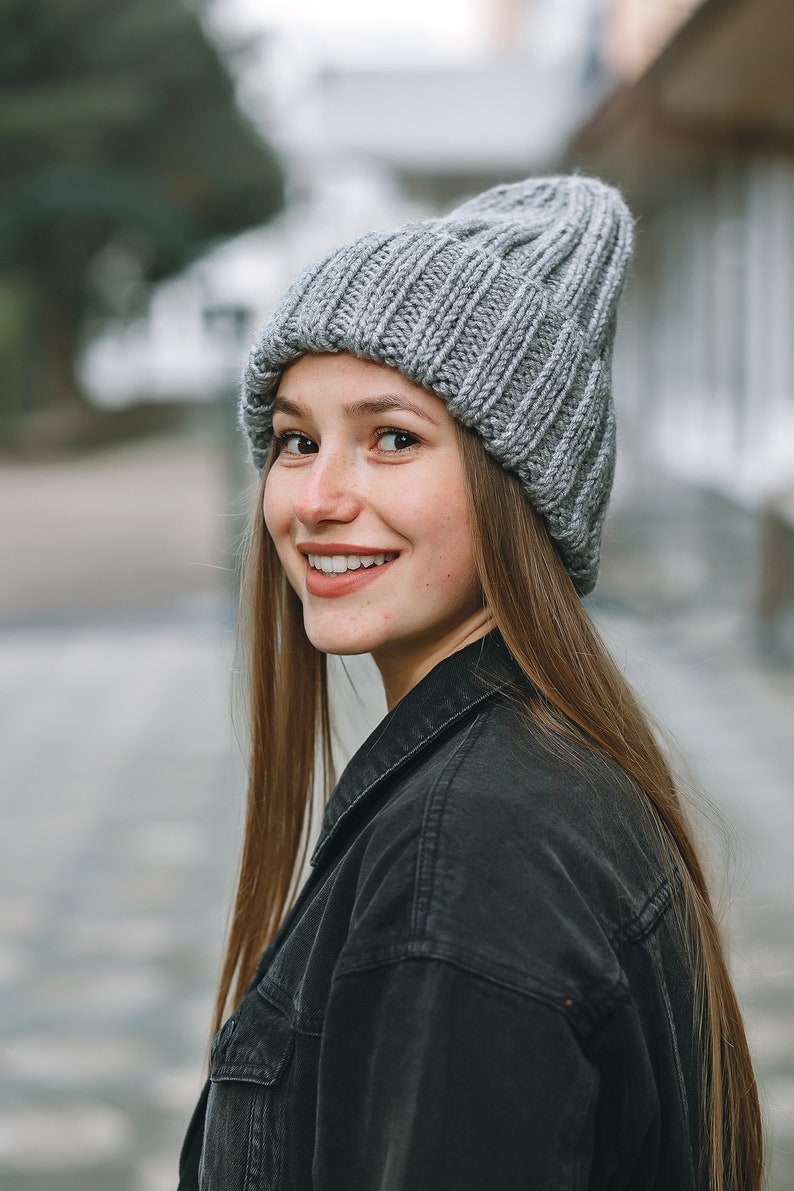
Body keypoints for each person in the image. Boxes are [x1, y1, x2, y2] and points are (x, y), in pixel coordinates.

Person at [178, 176, 763, 1190]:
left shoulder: (466, 858)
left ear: (519, 484)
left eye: (393, 438)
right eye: (296, 440)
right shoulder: (533, 776)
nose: (316, 498)